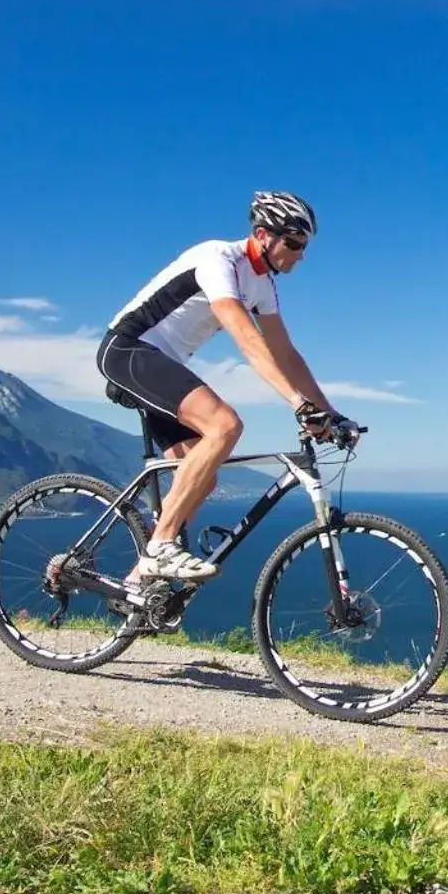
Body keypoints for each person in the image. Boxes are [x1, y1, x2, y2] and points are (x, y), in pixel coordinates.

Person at [96, 190, 360, 595]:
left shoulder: (263, 284)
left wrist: (331, 413)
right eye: (293, 242)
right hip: (129, 350)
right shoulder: (219, 259)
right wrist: (297, 404)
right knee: (225, 425)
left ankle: (138, 586)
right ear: (262, 234)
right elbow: (245, 337)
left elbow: (285, 353)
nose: (301, 254)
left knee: (204, 476)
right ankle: (160, 546)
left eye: (304, 245)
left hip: (163, 364)